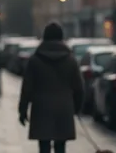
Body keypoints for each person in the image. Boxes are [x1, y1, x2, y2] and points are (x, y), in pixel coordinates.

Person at [18, 22, 83, 153]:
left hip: (41, 108)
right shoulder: (70, 60)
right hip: (63, 108)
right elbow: (79, 88)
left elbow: (27, 88)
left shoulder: (35, 60)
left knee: (44, 146)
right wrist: (76, 108)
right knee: (60, 146)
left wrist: (23, 110)